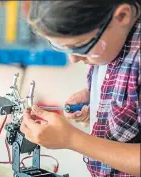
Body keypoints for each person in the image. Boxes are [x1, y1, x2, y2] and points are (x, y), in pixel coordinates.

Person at [20, 1, 141, 177]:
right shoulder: (109, 45)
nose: (73, 59)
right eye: (62, 47)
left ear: (122, 16)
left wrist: (72, 139)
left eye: (81, 45)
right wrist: (95, 100)